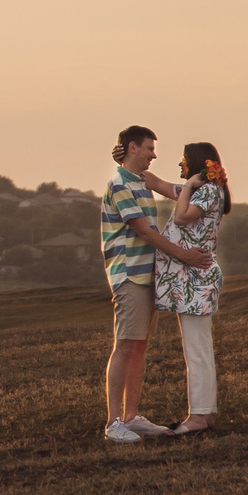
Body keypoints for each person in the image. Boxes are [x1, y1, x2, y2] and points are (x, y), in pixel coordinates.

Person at [99, 125, 212, 444]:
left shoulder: (141, 180)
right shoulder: (120, 184)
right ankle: (113, 423)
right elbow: (144, 231)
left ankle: (131, 417)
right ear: (132, 148)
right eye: (149, 148)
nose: (154, 154)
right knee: (125, 345)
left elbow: (176, 191)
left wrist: (205, 181)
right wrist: (184, 255)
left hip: (147, 274)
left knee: (139, 345)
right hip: (129, 274)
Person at [155, 142, 229, 436]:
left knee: (196, 351)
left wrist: (187, 186)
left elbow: (181, 217)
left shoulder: (206, 190)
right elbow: (157, 183)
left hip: (195, 281)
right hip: (194, 280)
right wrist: (121, 157)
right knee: (201, 349)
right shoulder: (202, 189)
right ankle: (205, 414)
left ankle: (198, 417)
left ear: (198, 163)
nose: (180, 164)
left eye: (184, 159)